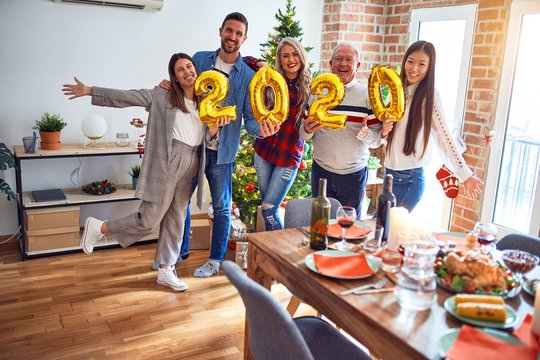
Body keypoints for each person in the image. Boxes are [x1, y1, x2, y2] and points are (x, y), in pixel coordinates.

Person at [61, 53, 226, 291]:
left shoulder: (206, 102)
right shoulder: (163, 96)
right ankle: (100, 227)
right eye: (180, 69)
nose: (187, 71)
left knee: (177, 218)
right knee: (149, 220)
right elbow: (127, 97)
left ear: (197, 70)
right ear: (175, 77)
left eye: (189, 66)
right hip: (170, 159)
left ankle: (166, 269)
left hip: (193, 161)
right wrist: (89, 90)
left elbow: (209, 141)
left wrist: (212, 130)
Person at [191, 12, 277, 277]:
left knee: (222, 206)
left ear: (245, 38)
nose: (232, 36)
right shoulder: (199, 60)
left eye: (238, 33)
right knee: (179, 202)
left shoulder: (249, 76)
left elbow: (249, 119)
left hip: (223, 151)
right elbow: (182, 92)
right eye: (229, 30)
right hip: (192, 145)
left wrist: (261, 130)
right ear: (220, 31)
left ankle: (216, 259)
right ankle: (177, 253)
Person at [383, 40, 483, 211]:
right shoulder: (397, 92)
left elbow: (445, 137)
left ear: (429, 68)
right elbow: (390, 134)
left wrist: (465, 175)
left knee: (392, 231)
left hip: (410, 179)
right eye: (411, 61)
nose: (414, 69)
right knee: (383, 231)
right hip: (389, 174)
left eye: (421, 64)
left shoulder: (430, 97)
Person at [300, 43, 393, 218]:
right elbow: (303, 134)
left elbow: (377, 140)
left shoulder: (368, 96)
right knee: (321, 226)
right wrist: (307, 129)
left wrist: (366, 135)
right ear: (330, 63)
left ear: (357, 65)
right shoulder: (317, 92)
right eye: (338, 59)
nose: (343, 64)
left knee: (349, 230)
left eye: (349, 59)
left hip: (353, 176)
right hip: (321, 172)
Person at [253, 37, 311, 231]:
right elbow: (244, 59)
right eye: (285, 55)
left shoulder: (310, 87)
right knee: (267, 207)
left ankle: (280, 253)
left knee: (269, 209)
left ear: (301, 56)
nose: (290, 59)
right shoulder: (270, 79)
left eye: (295, 54)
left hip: (288, 156)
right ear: (279, 59)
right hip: (263, 151)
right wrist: (261, 64)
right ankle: (272, 255)